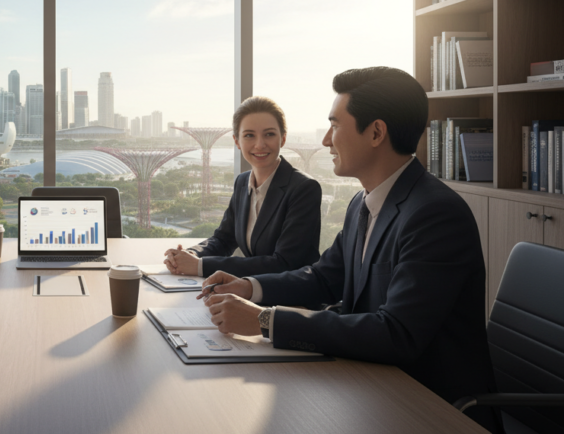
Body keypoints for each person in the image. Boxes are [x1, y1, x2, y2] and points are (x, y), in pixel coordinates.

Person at [199, 67, 498, 432]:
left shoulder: (435, 214)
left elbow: (396, 334)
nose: (326, 140)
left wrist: (264, 320)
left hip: (429, 407)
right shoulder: (363, 202)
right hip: (369, 385)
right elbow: (323, 277)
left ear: (375, 133)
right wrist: (250, 288)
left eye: (335, 125)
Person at [163, 96, 321, 277]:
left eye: (269, 134)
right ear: (237, 141)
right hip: (249, 294)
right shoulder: (242, 182)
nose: (260, 144)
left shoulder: (304, 189)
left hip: (290, 300)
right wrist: (191, 254)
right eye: (249, 135)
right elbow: (224, 239)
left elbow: (284, 263)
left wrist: (200, 266)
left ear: (283, 139)